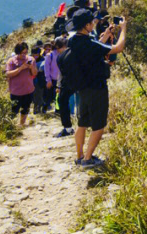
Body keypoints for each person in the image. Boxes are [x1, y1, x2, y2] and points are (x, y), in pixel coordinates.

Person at [66, 9, 126, 168]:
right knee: (99, 126)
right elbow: (118, 48)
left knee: (82, 123)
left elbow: (95, 47)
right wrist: (124, 30)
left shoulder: (73, 41)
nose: (94, 24)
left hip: (83, 88)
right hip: (97, 88)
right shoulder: (89, 44)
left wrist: (106, 35)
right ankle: (87, 159)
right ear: (86, 25)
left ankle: (79, 156)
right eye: (92, 22)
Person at [5, 42, 37, 128]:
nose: (24, 55)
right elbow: (8, 74)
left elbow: (34, 73)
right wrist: (21, 68)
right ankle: (12, 126)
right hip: (16, 91)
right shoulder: (11, 61)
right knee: (14, 110)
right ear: (17, 52)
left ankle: (22, 124)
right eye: (22, 53)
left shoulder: (31, 59)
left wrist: (31, 67)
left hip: (28, 89)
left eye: (25, 52)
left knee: (25, 108)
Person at [43, 38, 63, 118]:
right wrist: (48, 80)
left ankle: (57, 111)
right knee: (49, 96)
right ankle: (44, 108)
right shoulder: (50, 55)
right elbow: (46, 69)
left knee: (58, 96)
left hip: (60, 80)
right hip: (52, 79)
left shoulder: (62, 54)